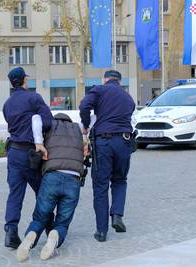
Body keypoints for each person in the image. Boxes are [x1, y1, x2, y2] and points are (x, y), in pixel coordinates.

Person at [16, 113, 90, 261]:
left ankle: (30, 236)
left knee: (39, 218)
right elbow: (93, 119)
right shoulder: (77, 128)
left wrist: (38, 142)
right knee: (62, 222)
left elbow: (36, 118)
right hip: (73, 178)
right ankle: (55, 236)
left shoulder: (50, 126)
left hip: (52, 176)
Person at [79, 70, 136, 242]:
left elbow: (84, 106)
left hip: (103, 142)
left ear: (105, 80)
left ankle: (101, 231)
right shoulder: (128, 98)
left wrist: (86, 125)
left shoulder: (99, 89)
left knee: (101, 185)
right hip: (125, 141)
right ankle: (117, 215)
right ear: (120, 81)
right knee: (120, 179)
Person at [2, 66, 53, 249]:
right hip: (31, 154)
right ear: (24, 80)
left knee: (15, 194)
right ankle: (49, 228)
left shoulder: (7, 104)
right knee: (42, 192)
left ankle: (11, 232)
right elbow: (47, 121)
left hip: (13, 153)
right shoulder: (34, 98)